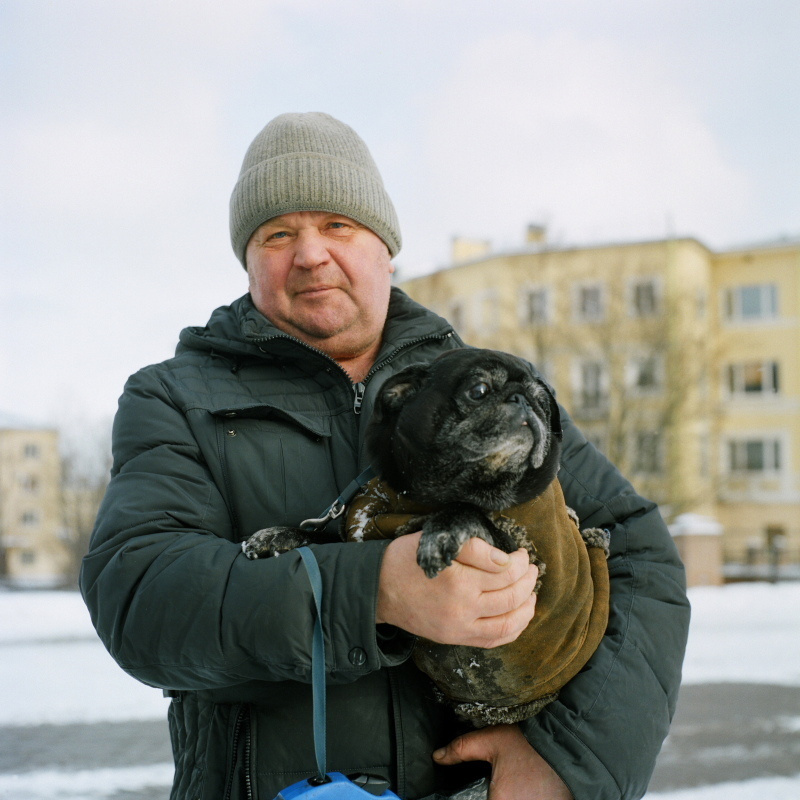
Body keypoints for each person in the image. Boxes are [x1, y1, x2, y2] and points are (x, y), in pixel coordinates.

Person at [80, 112, 690, 800]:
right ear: (248, 261)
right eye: (277, 234)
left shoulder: (483, 389)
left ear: (385, 249)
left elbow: (643, 557)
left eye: (338, 225)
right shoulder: (174, 397)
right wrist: (376, 592)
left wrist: (568, 763)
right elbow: (141, 598)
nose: (310, 254)